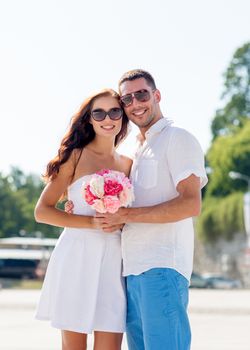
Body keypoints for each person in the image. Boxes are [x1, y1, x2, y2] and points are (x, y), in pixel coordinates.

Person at [93, 70, 208, 350]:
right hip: (132, 271)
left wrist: (126, 216)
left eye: (142, 94)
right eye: (127, 98)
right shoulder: (139, 150)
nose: (135, 103)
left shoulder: (177, 138)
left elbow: (190, 203)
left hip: (162, 268)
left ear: (156, 96)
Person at [34, 88, 132, 350]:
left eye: (114, 111)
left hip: (114, 259)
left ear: (123, 116)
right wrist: (90, 223)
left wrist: (121, 221)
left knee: (111, 341)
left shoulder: (129, 164)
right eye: (98, 112)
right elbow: (42, 211)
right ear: (89, 118)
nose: (107, 118)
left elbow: (132, 213)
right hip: (77, 255)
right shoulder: (75, 156)